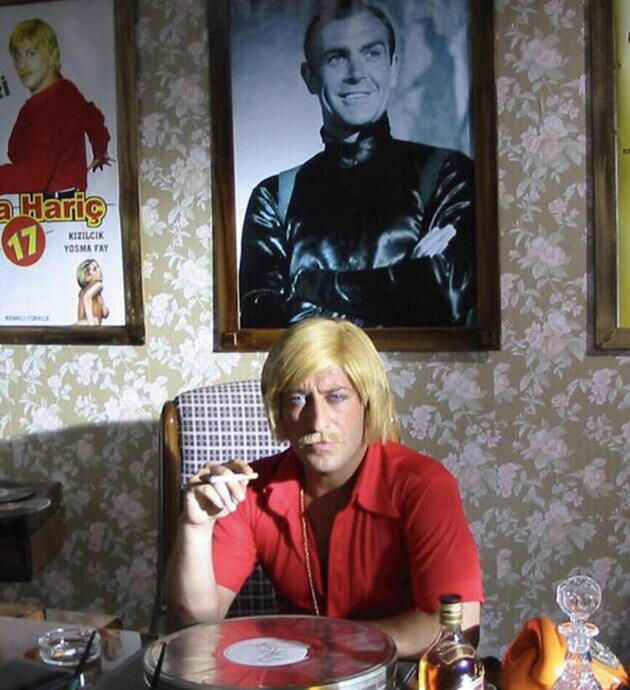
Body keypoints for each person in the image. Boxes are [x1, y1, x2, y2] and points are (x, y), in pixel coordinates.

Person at [165, 317, 483, 659]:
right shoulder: (250, 491)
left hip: (399, 674)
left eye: (336, 396)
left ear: (367, 404)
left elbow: (458, 628)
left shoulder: (424, 485)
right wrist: (195, 526)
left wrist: (325, 643)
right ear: (280, 414)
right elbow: (193, 626)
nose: (317, 420)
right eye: (298, 398)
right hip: (294, 676)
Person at [239, 2, 476, 329]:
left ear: (394, 68)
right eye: (336, 57)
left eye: (372, 53)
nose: (356, 73)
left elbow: (447, 296)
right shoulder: (274, 197)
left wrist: (307, 284)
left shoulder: (447, 174)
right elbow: (262, 319)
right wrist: (407, 282)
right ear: (310, 77)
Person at [0, 18, 113, 196]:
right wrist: (100, 149)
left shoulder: (56, 104)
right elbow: (92, 117)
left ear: (52, 57)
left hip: (58, 200)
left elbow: (37, 175)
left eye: (30, 54)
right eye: (17, 55)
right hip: (55, 200)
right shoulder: (61, 94)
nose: (21, 64)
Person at [76, 259, 109, 325]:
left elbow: (105, 313)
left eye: (98, 267)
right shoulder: (98, 286)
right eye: (94, 269)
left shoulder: (84, 291)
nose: (99, 270)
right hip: (88, 325)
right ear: (87, 277)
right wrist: (92, 326)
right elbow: (86, 298)